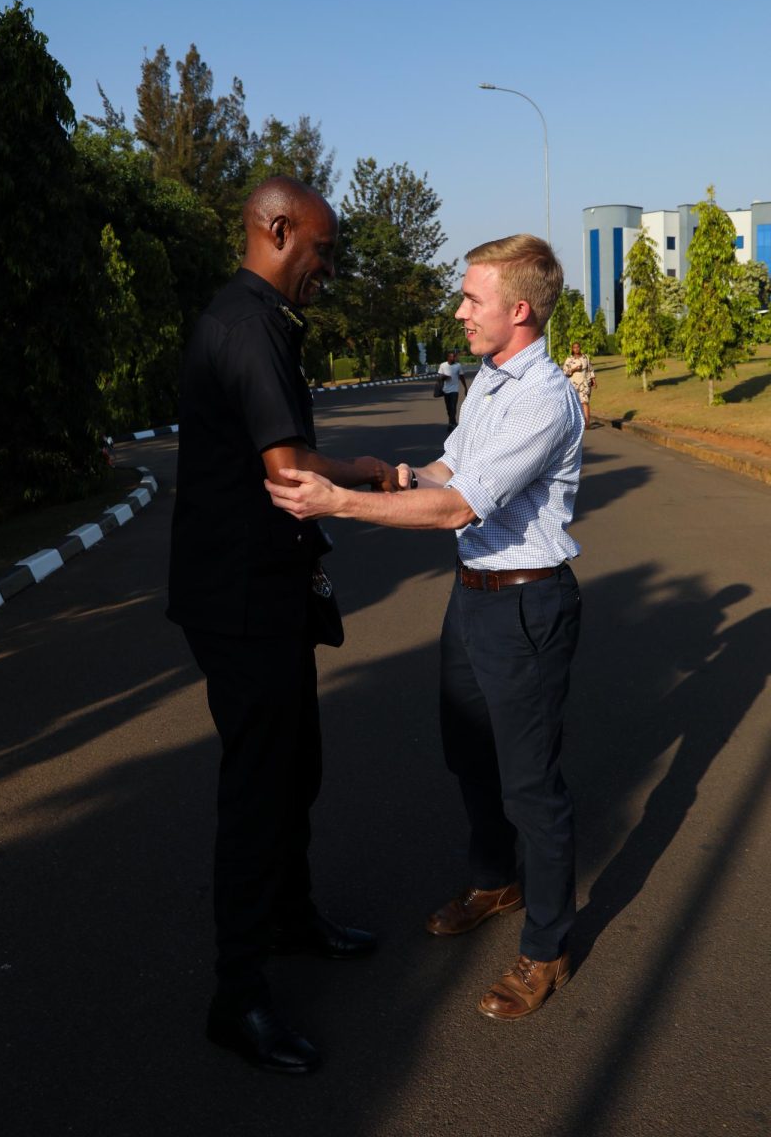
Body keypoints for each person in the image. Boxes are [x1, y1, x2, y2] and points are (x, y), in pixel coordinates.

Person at [266, 234, 584, 1022]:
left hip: (525, 603)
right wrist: (384, 472)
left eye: (472, 298)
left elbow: (457, 507)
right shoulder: (488, 379)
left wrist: (339, 503)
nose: (459, 310)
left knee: (531, 786)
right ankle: (494, 879)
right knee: (466, 753)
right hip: (472, 594)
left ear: (518, 309)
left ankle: (545, 951)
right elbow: (447, 470)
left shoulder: (544, 398)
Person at [167, 175, 402, 1074]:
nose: (327, 268)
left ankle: (293, 916)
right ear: (274, 229)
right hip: (240, 598)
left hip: (264, 586)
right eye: (322, 248)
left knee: (295, 763)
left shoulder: (252, 317)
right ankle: (239, 996)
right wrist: (370, 474)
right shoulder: (250, 322)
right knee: (259, 785)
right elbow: (287, 465)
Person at [562, 340, 596, 428]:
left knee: (585, 402)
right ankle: (575, 423)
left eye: (578, 347)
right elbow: (565, 372)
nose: (576, 349)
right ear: (572, 349)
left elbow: (590, 369)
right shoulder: (569, 359)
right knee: (574, 403)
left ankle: (587, 423)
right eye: (574, 347)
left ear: (580, 348)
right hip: (573, 385)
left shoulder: (586, 357)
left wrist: (594, 380)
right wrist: (574, 369)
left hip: (584, 384)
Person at [437, 349, 467, 431]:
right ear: (448, 357)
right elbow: (439, 377)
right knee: (448, 408)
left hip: (454, 390)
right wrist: (444, 377)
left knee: (453, 407)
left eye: (454, 357)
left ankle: (451, 424)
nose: (454, 358)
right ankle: (452, 422)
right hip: (446, 390)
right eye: (452, 357)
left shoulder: (458, 366)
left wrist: (465, 388)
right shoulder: (443, 365)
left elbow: (462, 377)